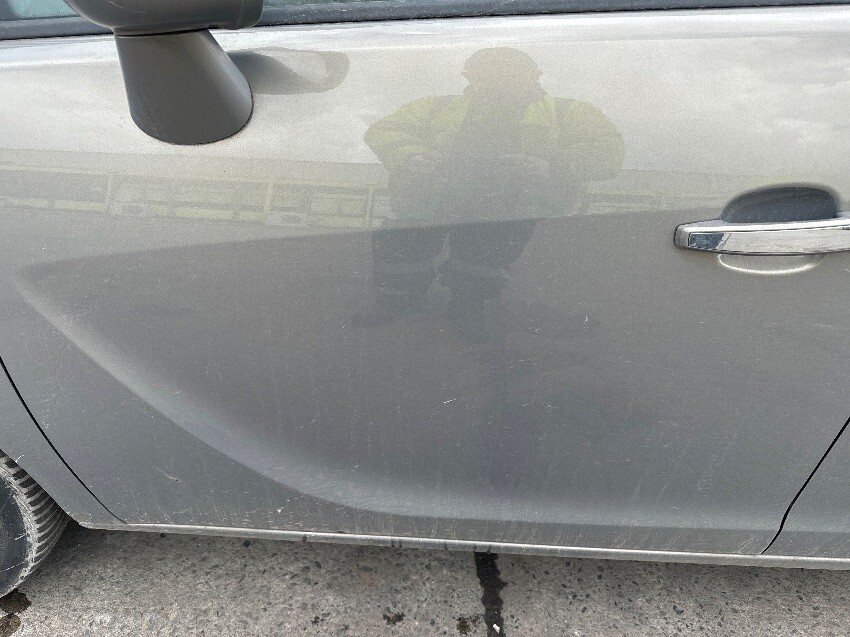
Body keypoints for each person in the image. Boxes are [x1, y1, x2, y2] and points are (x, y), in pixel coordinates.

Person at [363, 47, 624, 341]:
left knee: (481, 266)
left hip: (510, 211)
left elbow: (608, 152)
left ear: (534, 75)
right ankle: (396, 306)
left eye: (509, 70)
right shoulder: (434, 106)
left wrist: (551, 166)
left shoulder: (569, 112)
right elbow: (385, 130)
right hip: (426, 205)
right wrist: (413, 155)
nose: (498, 77)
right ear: (469, 76)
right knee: (400, 258)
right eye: (487, 71)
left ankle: (467, 311)